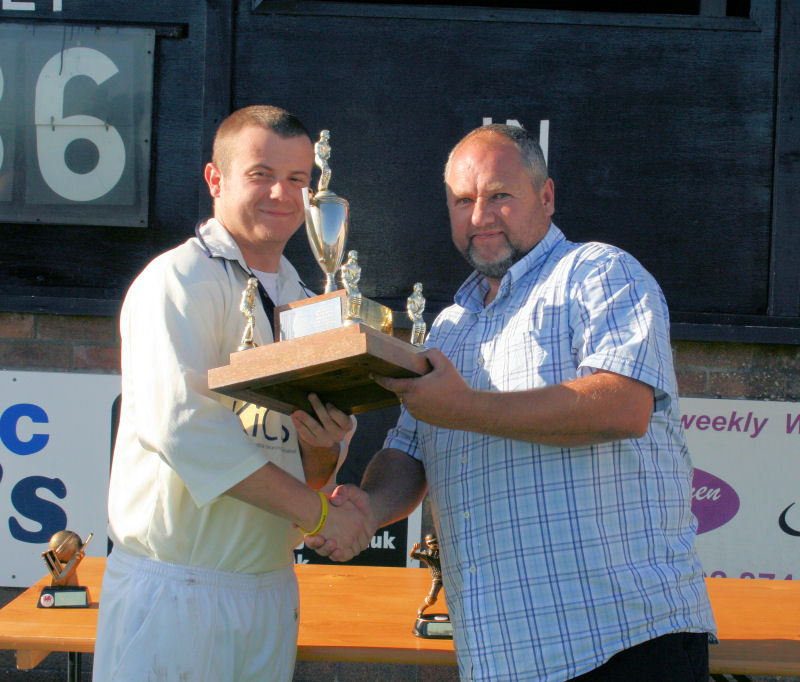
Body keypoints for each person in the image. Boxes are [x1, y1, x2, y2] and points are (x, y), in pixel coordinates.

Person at [308, 123, 717, 681]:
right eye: (463, 200)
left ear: (545, 197)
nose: (480, 216)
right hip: (502, 658)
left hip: (621, 644)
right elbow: (409, 454)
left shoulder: (599, 273)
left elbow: (622, 407)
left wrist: (463, 408)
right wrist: (365, 511)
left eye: (500, 195)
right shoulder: (448, 330)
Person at [93, 105, 372, 682]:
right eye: (260, 174)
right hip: (177, 593)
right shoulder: (176, 281)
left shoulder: (303, 297)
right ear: (215, 180)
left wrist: (321, 453)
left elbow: (310, 462)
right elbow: (183, 429)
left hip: (268, 588)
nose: (281, 193)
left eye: (298, 179)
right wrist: (320, 514)